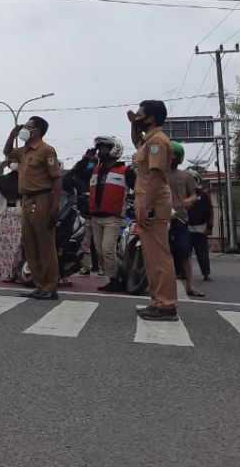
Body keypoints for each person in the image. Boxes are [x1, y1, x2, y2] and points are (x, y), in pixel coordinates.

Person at [4, 116, 62, 300]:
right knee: (30, 246)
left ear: (37, 130)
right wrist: (12, 134)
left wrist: (55, 206)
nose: (25, 129)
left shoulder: (46, 150)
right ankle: (39, 285)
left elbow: (57, 178)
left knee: (45, 245)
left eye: (28, 126)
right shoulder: (24, 151)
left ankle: (50, 286)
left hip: (42, 198)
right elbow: (8, 153)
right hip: (27, 201)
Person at [129, 100, 178, 321]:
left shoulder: (158, 141)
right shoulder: (149, 141)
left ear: (151, 118)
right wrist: (133, 125)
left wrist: (146, 208)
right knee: (151, 256)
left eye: (140, 114)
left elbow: (156, 177)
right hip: (147, 202)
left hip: (153, 204)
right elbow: (137, 144)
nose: (137, 117)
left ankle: (166, 305)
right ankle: (158, 301)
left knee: (159, 256)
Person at [89, 135, 136, 293]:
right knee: (100, 252)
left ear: (114, 150)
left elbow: (139, 188)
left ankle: (117, 280)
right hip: (95, 217)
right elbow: (77, 175)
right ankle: (115, 278)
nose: (100, 151)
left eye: (104, 148)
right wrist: (85, 160)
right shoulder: (95, 169)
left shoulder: (125, 171)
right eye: (99, 148)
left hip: (113, 217)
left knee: (108, 249)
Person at [167, 142, 205, 298]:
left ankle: (190, 286)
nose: (172, 157)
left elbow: (194, 194)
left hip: (180, 218)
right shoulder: (158, 175)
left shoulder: (186, 175)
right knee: (162, 254)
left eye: (174, 154)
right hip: (162, 219)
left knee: (184, 251)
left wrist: (190, 200)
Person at [0, 161, 25, 282]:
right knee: (5, 247)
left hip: (19, 215)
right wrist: (0, 166)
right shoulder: (3, 180)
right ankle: (10, 273)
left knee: (18, 247)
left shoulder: (26, 180)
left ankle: (17, 272)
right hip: (6, 214)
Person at [68, 148, 99, 276]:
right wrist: (87, 160)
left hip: (98, 211)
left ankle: (98, 266)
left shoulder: (98, 171)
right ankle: (88, 266)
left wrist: (91, 161)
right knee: (86, 242)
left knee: (97, 243)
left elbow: (89, 170)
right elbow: (82, 171)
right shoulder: (79, 178)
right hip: (85, 212)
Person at [187, 174, 213, 282]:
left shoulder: (204, 195)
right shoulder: (184, 195)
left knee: (202, 252)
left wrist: (209, 227)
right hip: (186, 227)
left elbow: (209, 211)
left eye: (194, 181)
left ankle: (206, 273)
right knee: (183, 252)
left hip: (200, 228)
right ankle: (182, 272)